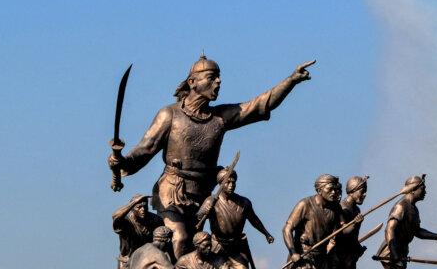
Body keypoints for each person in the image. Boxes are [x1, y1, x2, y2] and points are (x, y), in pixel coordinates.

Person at [109, 56, 314, 258]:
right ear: (193, 82)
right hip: (171, 191)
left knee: (197, 243)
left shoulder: (220, 117)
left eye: (219, 77)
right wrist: (122, 162)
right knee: (179, 237)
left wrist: (291, 80)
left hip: (203, 193)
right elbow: (145, 149)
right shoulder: (169, 115)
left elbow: (260, 104)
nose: (218, 82)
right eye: (212, 77)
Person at [195, 168, 274, 269]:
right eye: (227, 182)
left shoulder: (244, 202)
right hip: (217, 244)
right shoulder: (211, 201)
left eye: (233, 182)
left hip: (236, 246)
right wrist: (204, 211)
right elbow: (198, 219)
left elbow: (254, 220)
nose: (231, 185)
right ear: (221, 184)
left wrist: (266, 234)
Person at [374, 176, 437, 269]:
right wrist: (394, 253)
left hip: (402, 251)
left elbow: (417, 231)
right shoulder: (401, 206)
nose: (425, 192)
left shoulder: (414, 210)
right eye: (422, 189)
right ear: (413, 189)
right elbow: (389, 229)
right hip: (390, 253)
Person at [283, 174, 345, 269]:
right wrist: (293, 253)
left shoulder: (335, 208)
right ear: (319, 190)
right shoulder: (305, 204)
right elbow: (287, 229)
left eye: (335, 189)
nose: (333, 192)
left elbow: (340, 231)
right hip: (304, 257)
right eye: (330, 189)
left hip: (322, 257)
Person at [114, 194, 166, 269]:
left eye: (145, 206)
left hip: (147, 258)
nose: (143, 210)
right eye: (139, 207)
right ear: (132, 208)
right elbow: (115, 217)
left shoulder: (156, 220)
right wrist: (133, 203)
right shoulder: (126, 221)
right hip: (128, 260)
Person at [330, 176, 368, 269]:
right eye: (362, 191)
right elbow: (341, 232)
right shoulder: (342, 208)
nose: (364, 195)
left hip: (350, 257)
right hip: (339, 256)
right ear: (352, 190)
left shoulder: (357, 210)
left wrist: (357, 247)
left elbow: (353, 236)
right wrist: (355, 223)